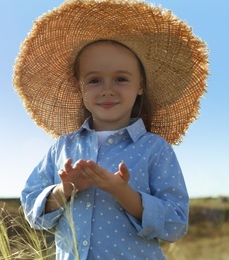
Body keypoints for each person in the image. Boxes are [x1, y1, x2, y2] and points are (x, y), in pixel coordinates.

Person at [13, 0, 209, 259]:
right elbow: (31, 209)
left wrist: (123, 192)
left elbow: (175, 225)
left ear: (140, 85)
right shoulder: (63, 147)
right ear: (80, 89)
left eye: (121, 78)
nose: (107, 89)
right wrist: (64, 190)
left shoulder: (154, 149)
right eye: (94, 80)